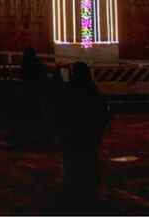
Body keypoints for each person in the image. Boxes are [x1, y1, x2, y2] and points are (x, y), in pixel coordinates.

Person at [57, 62, 109, 210]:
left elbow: (61, 114)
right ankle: (89, 195)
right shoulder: (92, 91)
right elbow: (102, 113)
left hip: (72, 137)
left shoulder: (69, 91)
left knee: (73, 165)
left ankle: (73, 195)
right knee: (88, 163)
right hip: (88, 137)